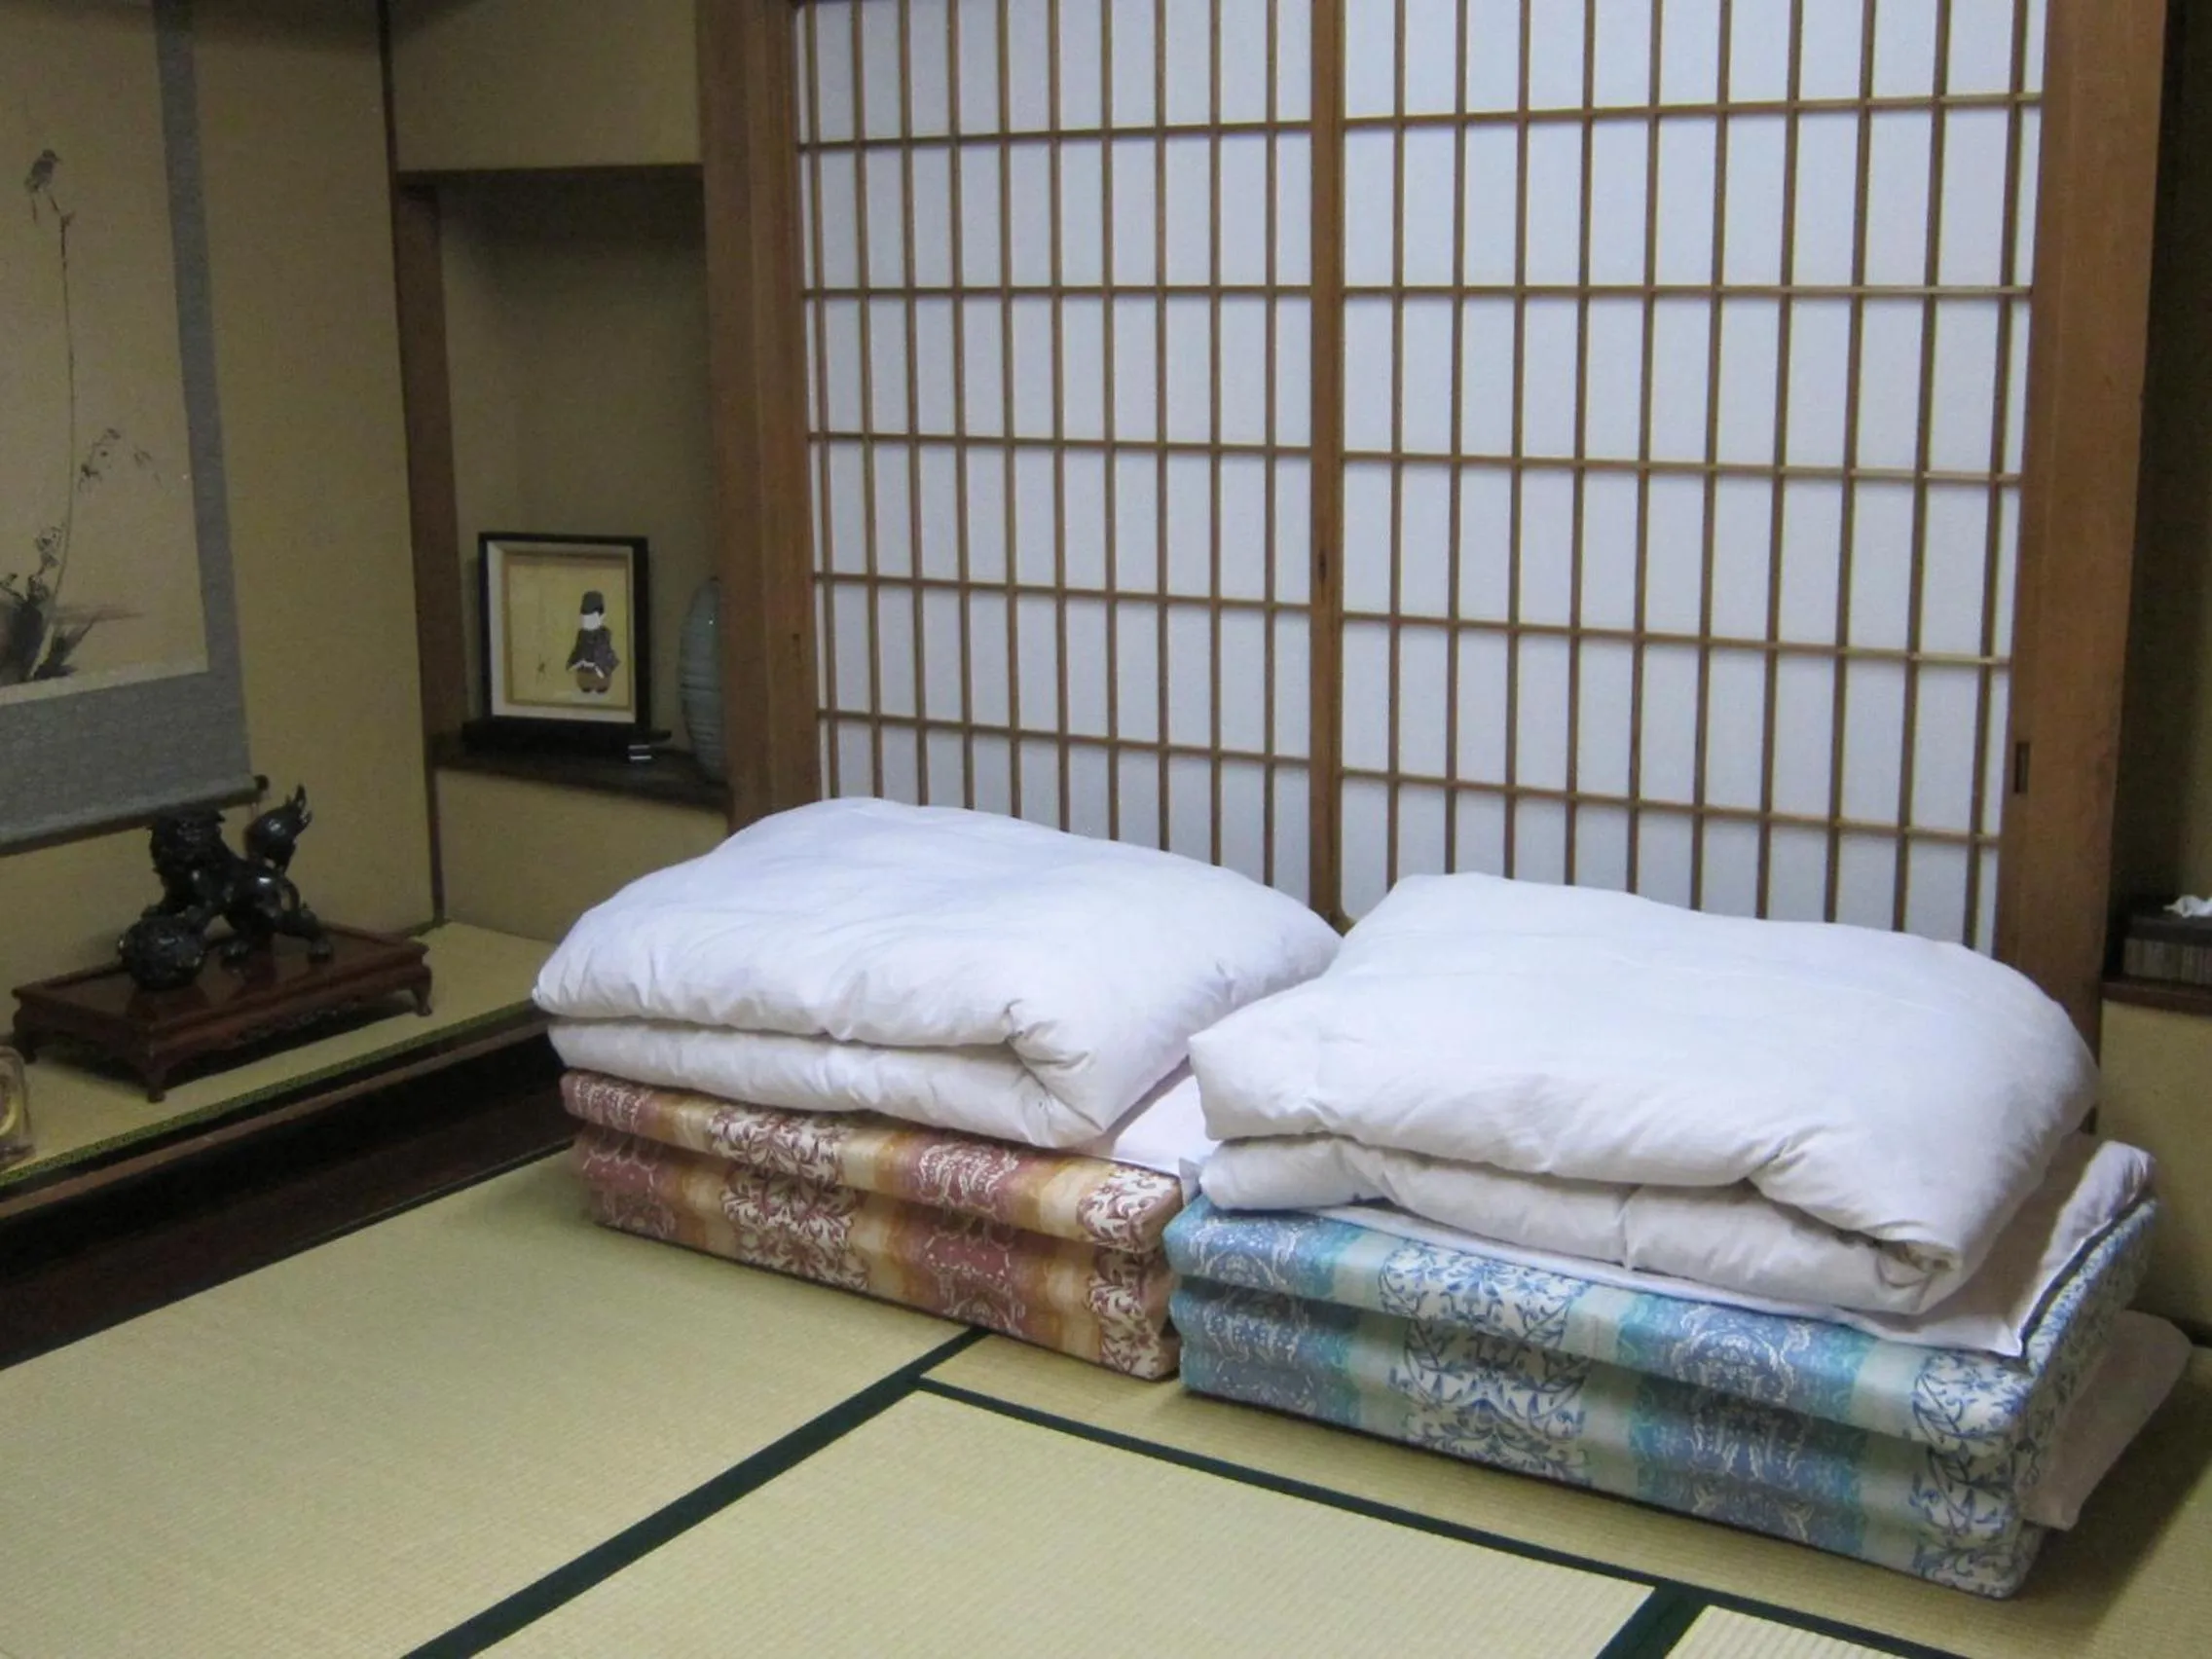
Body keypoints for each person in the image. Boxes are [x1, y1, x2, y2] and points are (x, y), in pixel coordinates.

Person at [568, 589, 618, 694]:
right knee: (584, 681)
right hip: (584, 669)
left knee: (601, 681)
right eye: (584, 618)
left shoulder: (604, 634)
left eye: (591, 619)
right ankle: (586, 686)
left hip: (600, 669)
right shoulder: (582, 634)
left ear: (602, 617)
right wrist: (574, 661)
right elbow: (578, 648)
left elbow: (603, 651)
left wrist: (596, 663)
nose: (586, 622)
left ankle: (601, 687)